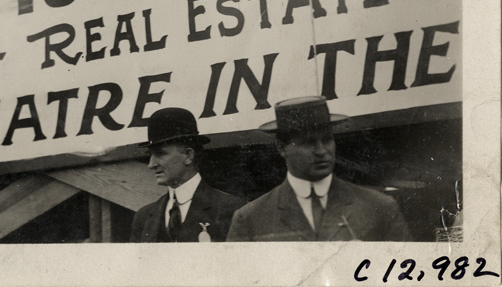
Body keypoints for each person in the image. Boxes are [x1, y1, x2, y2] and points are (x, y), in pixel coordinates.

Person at [227, 96, 411, 242]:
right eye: (308, 143)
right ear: (281, 148)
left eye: (327, 139)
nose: (322, 151)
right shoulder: (251, 219)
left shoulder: (379, 207)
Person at [130, 108, 246, 243]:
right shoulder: (143, 217)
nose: (151, 164)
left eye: (160, 154)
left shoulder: (231, 210)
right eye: (150, 155)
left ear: (188, 156)